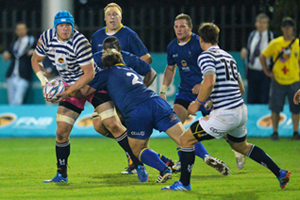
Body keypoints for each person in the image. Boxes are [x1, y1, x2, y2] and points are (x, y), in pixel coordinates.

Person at [162, 22, 291, 191]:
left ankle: (184, 184)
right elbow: (241, 88)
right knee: (241, 146)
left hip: (224, 114)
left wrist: (197, 103)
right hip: (241, 111)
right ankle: (280, 173)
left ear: (200, 39)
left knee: (186, 139)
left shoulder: (206, 56)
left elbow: (209, 81)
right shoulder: (228, 56)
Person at [31, 10, 129, 183]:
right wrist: (43, 81)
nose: (65, 28)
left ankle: (136, 160)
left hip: (92, 85)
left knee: (112, 124)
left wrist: (68, 92)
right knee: (61, 131)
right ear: (56, 27)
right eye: (61, 25)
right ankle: (61, 174)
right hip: (70, 85)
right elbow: (35, 60)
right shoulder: (47, 38)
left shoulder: (80, 42)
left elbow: (89, 74)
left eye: (68, 25)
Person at [160, 13, 244, 171]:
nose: (179, 30)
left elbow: (217, 65)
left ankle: (238, 149)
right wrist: (163, 90)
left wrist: (202, 83)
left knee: (223, 130)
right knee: (174, 122)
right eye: (176, 27)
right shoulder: (172, 47)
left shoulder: (200, 42)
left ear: (190, 28)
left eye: (182, 26)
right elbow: (170, 69)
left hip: (206, 93)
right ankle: (184, 159)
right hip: (185, 92)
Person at [91, 2, 152, 174]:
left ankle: (137, 159)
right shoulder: (97, 36)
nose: (112, 17)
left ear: (121, 17)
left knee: (118, 122)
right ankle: (131, 149)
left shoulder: (128, 34)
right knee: (98, 125)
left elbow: (146, 58)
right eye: (109, 14)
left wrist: (126, 74)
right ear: (104, 17)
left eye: (115, 14)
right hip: (104, 90)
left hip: (123, 90)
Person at [260, 17, 300, 140]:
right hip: (278, 79)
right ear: (282, 29)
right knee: (275, 107)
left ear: (293, 29)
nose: (287, 30)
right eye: (285, 27)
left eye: (289, 27)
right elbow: (263, 56)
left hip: (294, 79)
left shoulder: (298, 44)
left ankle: (295, 132)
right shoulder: (276, 43)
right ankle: (275, 132)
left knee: (296, 108)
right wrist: (267, 72)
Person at [240, 13, 273, 104]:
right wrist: (244, 50)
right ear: (256, 24)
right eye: (259, 22)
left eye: (264, 22)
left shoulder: (271, 37)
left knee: (264, 99)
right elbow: (248, 48)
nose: (261, 25)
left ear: (267, 25)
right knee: (251, 98)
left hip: (265, 72)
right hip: (252, 71)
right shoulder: (251, 35)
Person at [3, 22, 36, 105]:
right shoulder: (14, 43)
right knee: (11, 100)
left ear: (26, 30)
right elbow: (8, 52)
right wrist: (6, 53)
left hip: (23, 74)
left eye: (22, 29)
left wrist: (34, 51)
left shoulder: (31, 41)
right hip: (12, 74)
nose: (20, 31)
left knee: (18, 100)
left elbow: (42, 49)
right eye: (18, 30)